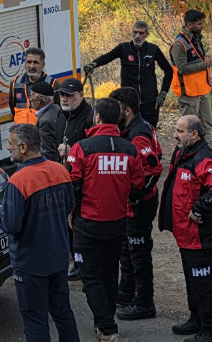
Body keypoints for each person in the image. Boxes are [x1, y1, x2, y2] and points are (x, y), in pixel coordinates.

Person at [67, 98, 146, 342]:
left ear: (97, 117)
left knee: (90, 277)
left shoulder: (81, 148)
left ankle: (106, 326)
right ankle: (105, 321)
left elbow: (72, 186)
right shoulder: (129, 148)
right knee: (110, 273)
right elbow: (138, 185)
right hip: (117, 222)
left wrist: (72, 212)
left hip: (88, 223)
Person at [2, 123, 81, 342]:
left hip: (30, 263)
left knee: (35, 320)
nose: (8, 148)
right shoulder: (60, 170)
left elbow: (10, 225)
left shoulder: (18, 181)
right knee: (63, 312)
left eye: (10, 143)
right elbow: (68, 206)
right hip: (58, 257)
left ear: (24, 147)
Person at [159, 114, 212, 342]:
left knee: (203, 282)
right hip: (186, 234)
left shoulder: (203, 158)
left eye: (180, 131)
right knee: (192, 279)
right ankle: (196, 318)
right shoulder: (183, 152)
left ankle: (211, 331)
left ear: (195, 134)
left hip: (202, 236)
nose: (175, 135)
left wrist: (198, 209)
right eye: (176, 130)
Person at [111, 87, 163, 321]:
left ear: (128, 110)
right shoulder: (133, 128)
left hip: (140, 204)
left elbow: (153, 167)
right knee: (127, 249)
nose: (113, 113)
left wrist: (136, 195)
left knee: (139, 253)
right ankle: (126, 292)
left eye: (117, 109)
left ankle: (144, 303)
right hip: (133, 203)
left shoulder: (138, 134)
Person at [85, 21, 174, 126]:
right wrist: (93, 64)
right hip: (128, 103)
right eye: (135, 32)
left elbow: (168, 70)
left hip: (150, 102)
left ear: (147, 34)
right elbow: (108, 56)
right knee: (127, 132)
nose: (137, 36)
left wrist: (163, 94)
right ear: (131, 32)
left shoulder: (153, 49)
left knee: (149, 132)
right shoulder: (124, 48)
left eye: (141, 33)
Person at [57, 77, 95, 279]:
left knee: (77, 223)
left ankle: (83, 265)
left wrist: (72, 151)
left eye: (70, 95)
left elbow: (95, 150)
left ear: (80, 95)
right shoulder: (61, 114)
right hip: (63, 177)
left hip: (84, 181)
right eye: (62, 94)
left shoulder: (90, 116)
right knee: (66, 222)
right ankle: (75, 259)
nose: (65, 98)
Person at [170, 10, 212, 138]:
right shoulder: (179, 44)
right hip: (188, 94)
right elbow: (182, 69)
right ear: (189, 25)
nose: (202, 26)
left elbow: (197, 60)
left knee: (206, 126)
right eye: (199, 24)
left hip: (202, 90)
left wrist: (205, 60)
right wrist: (204, 64)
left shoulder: (195, 38)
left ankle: (209, 156)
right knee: (189, 130)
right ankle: (187, 156)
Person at [12, 47, 53, 114]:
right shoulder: (16, 83)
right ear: (25, 64)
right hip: (21, 125)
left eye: (36, 62)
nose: (32, 66)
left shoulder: (52, 84)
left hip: (41, 124)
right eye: (29, 62)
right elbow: (13, 108)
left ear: (43, 65)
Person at [32, 81, 64, 162]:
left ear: (39, 99)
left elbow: (47, 152)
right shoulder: (56, 108)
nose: (30, 99)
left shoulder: (45, 121)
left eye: (31, 96)